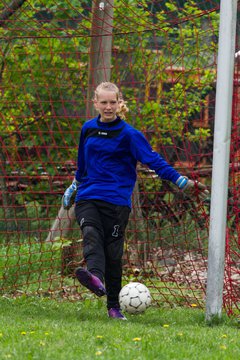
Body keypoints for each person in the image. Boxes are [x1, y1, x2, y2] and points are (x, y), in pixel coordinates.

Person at [62, 82, 209, 320]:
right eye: (104, 102)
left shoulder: (129, 134)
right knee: (90, 232)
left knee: (113, 253)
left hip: (117, 201)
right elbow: (82, 162)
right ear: (95, 103)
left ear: (120, 103)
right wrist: (75, 185)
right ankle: (94, 278)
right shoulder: (87, 129)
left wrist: (182, 182)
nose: (108, 107)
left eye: (113, 102)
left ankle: (114, 307)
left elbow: (154, 161)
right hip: (89, 195)